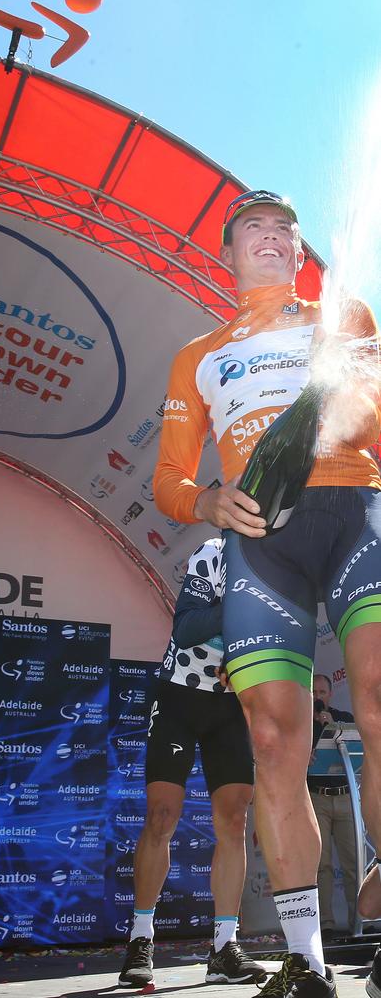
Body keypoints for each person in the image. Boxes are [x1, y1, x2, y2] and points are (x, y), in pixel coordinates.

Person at [153, 188, 381, 998]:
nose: (275, 237)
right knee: (276, 741)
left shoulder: (342, 316)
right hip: (260, 542)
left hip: (354, 508)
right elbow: (171, 479)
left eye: (287, 228)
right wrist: (208, 501)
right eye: (256, 227)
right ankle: (306, 959)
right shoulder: (201, 353)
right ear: (228, 250)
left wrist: (352, 400)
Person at [118, 537, 266, 989]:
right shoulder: (215, 550)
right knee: (162, 815)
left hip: (230, 703)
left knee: (235, 818)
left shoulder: (280, 567)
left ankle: (224, 946)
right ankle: (140, 938)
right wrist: (241, 604)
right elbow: (186, 628)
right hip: (180, 694)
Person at [308, 674, 356, 941]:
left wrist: (332, 726)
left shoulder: (343, 717)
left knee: (353, 863)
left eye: (323, 691)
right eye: (314, 691)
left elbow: (358, 748)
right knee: (322, 864)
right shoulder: (302, 720)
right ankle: (325, 923)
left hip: (346, 796)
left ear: (330, 694)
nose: (318, 696)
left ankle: (359, 919)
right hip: (317, 797)